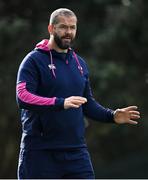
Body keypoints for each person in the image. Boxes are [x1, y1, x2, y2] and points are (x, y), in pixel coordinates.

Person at [16, 8, 140, 179]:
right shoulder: (33, 61)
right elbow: (22, 96)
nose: (68, 32)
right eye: (63, 27)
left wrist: (112, 116)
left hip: (76, 153)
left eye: (72, 27)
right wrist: (60, 103)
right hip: (40, 153)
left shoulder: (79, 63)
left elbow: (87, 103)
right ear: (51, 29)